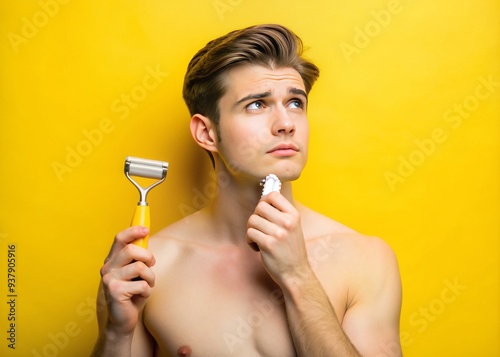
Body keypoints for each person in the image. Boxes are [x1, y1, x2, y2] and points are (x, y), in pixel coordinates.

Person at [91, 24, 402, 357]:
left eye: (295, 102)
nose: (286, 123)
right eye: (257, 104)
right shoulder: (150, 268)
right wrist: (116, 333)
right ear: (207, 133)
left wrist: (297, 275)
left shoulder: (365, 260)